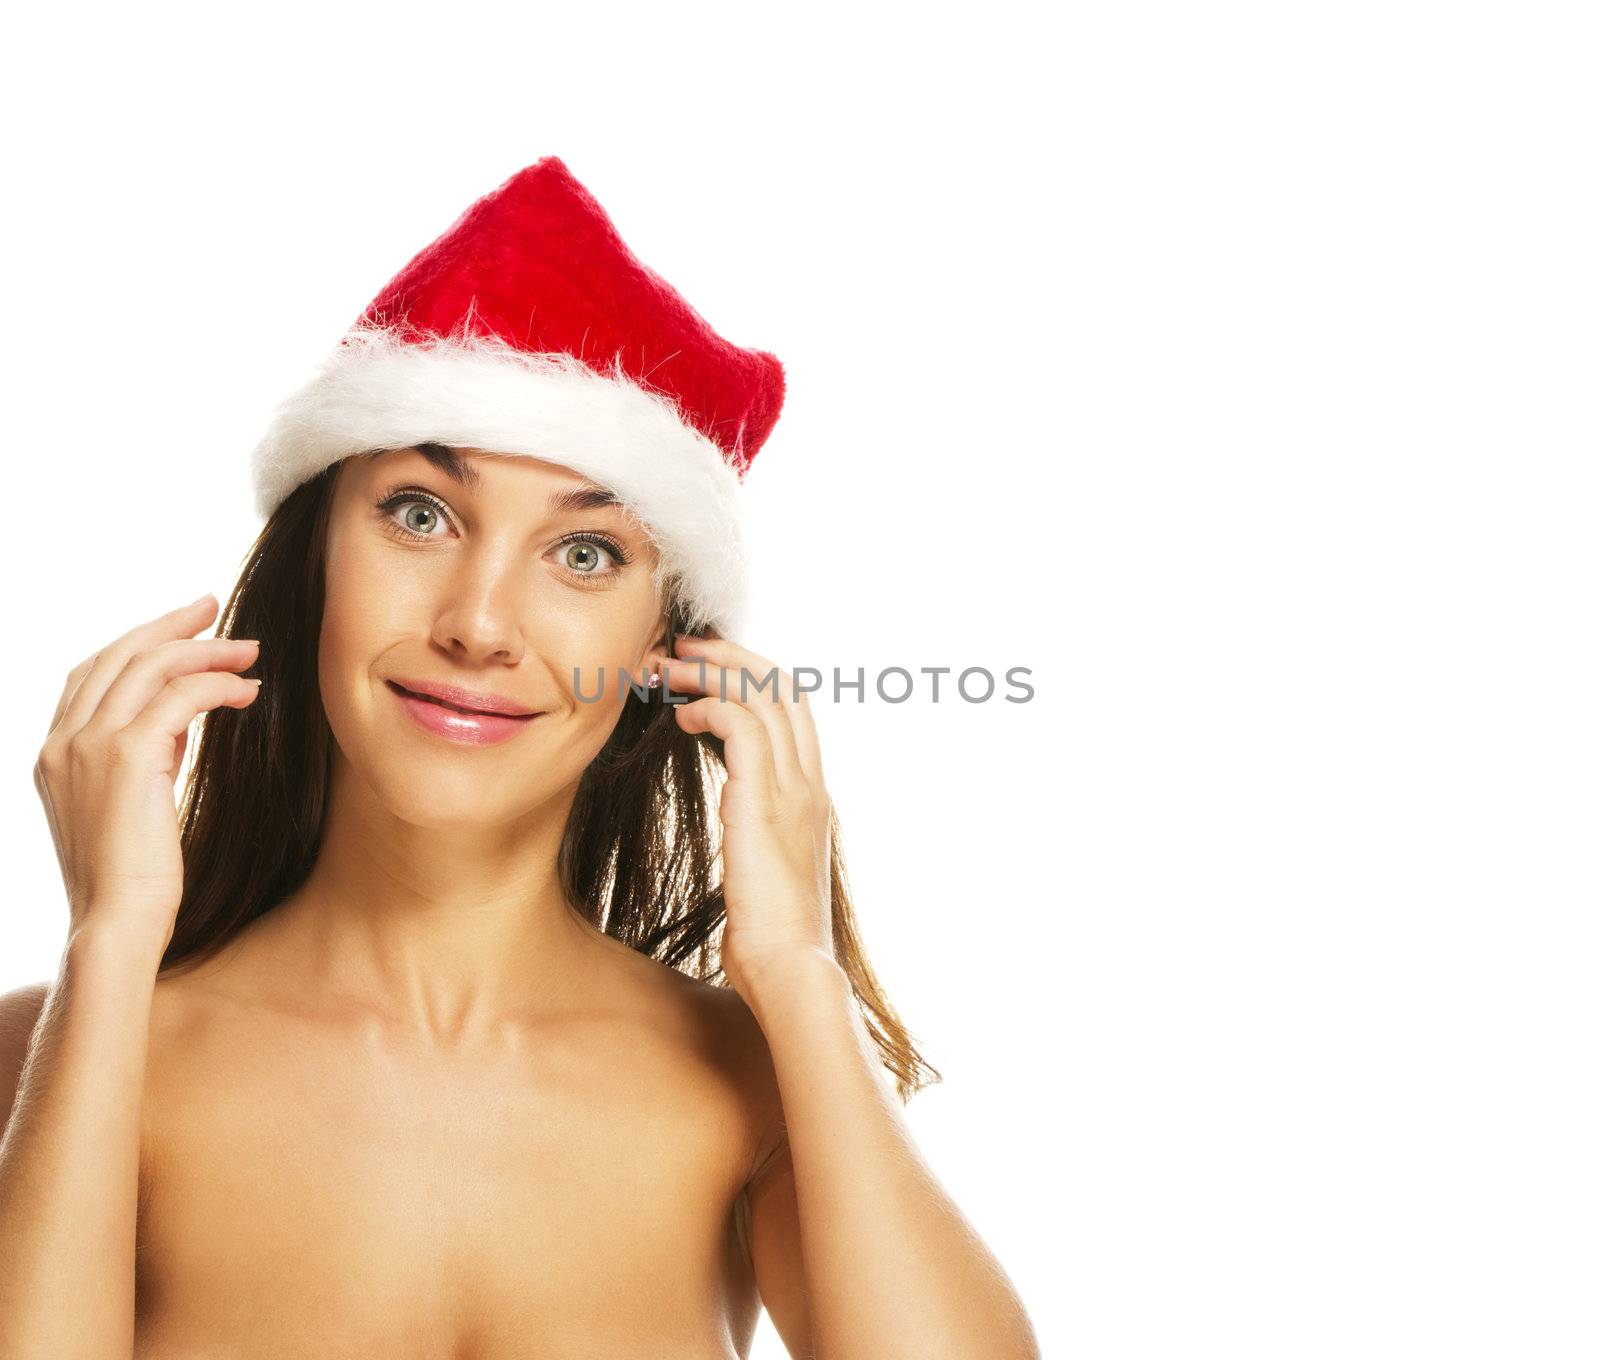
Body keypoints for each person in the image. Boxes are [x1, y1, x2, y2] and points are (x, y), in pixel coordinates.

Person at [0, 157, 1041, 1358]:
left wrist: (798, 967)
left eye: (587, 553)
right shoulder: (60, 1053)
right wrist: (113, 938)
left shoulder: (749, 1088)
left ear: (667, 643)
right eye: (419, 513)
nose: (479, 624)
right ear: (311, 560)